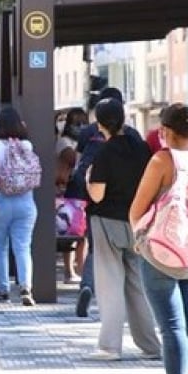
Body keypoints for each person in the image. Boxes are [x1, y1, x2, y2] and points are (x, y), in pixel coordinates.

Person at [130, 104, 188, 374]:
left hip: (161, 253)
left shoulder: (162, 160)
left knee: (172, 327)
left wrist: (141, 239)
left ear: (164, 130)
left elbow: (137, 209)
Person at [84, 97, 161, 361]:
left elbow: (96, 195)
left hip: (108, 221)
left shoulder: (104, 153)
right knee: (137, 285)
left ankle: (109, 346)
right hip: (138, 223)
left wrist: (87, 179)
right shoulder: (140, 148)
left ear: (100, 123)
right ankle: (151, 345)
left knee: (110, 284)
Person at [72, 86, 143, 317]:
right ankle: (148, 338)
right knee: (135, 273)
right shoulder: (136, 140)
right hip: (134, 214)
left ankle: (87, 286)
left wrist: (87, 177)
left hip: (103, 214)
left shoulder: (94, 141)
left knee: (103, 263)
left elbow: (91, 185)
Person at [0, 105, 38, 306]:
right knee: (23, 247)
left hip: (1, 201)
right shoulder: (26, 145)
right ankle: (25, 287)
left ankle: (3, 289)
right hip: (26, 201)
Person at [55, 107, 88, 283]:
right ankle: (70, 270)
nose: (80, 127)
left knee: (81, 231)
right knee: (70, 230)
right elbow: (72, 159)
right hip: (68, 190)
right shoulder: (64, 142)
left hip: (80, 189)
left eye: (83, 123)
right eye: (76, 123)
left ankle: (79, 267)